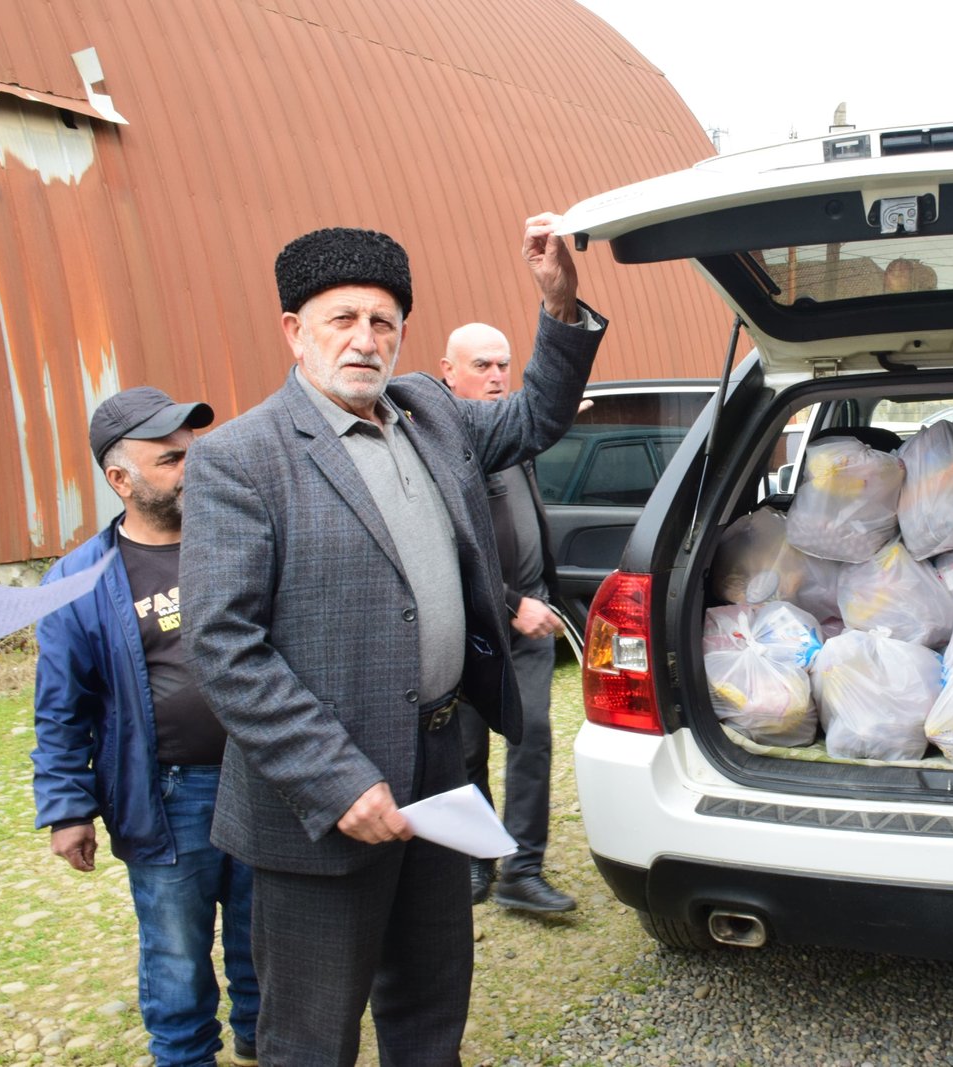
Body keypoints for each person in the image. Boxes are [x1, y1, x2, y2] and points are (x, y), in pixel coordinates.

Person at [179, 220, 605, 1066]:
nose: (365, 340)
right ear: (294, 331)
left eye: (383, 321)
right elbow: (225, 644)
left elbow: (537, 416)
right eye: (342, 319)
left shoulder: (430, 413)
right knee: (312, 1033)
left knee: (430, 1005)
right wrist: (335, 778)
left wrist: (559, 305)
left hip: (439, 773)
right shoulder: (240, 458)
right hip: (323, 802)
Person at [31, 387, 258, 1067]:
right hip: (167, 794)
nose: (192, 467)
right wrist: (67, 808)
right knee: (176, 951)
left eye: (194, 452)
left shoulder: (241, 540)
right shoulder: (77, 580)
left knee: (266, 934)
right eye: (170, 459)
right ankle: (185, 1055)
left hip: (262, 777)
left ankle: (266, 1038)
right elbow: (61, 707)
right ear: (121, 480)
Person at [441, 322, 574, 913]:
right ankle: (477, 859)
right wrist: (512, 605)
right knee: (466, 749)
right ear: (449, 372)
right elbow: (444, 555)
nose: (497, 377)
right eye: (482, 366)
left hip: (530, 621)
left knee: (533, 737)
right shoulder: (439, 446)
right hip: (472, 626)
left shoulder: (513, 436)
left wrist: (537, 597)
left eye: (503, 365)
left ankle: (523, 870)